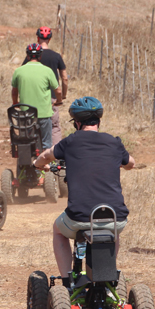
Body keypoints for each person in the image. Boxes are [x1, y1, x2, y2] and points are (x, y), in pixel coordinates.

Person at [33, 97, 135, 288]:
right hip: (116, 217)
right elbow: (131, 163)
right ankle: (107, 274)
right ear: (99, 121)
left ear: (77, 123)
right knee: (112, 230)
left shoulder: (71, 141)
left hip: (80, 217)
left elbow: (47, 155)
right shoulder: (113, 142)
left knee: (58, 230)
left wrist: (37, 164)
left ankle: (66, 282)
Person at [11, 43, 63, 151]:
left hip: (26, 113)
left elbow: (14, 91)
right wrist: (59, 100)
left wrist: (15, 102)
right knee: (46, 143)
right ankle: (45, 164)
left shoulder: (19, 71)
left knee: (26, 140)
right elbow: (58, 90)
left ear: (28, 56)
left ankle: (26, 164)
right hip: (44, 113)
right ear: (40, 56)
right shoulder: (47, 71)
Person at [22, 27, 68, 144]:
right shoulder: (56, 56)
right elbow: (64, 78)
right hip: (51, 97)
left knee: (31, 125)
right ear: (50, 39)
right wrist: (63, 96)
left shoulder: (31, 55)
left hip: (31, 98)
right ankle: (55, 154)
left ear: (37, 38)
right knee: (54, 127)